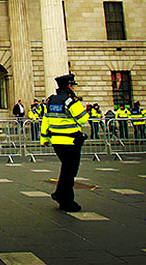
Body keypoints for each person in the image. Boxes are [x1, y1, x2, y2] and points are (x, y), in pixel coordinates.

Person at [41, 73, 89, 212]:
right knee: (70, 171)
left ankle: (61, 195)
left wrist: (44, 139)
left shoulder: (51, 101)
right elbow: (82, 119)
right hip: (71, 141)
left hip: (56, 141)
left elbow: (46, 120)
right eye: (72, 85)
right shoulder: (71, 101)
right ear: (69, 86)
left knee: (66, 169)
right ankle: (66, 200)